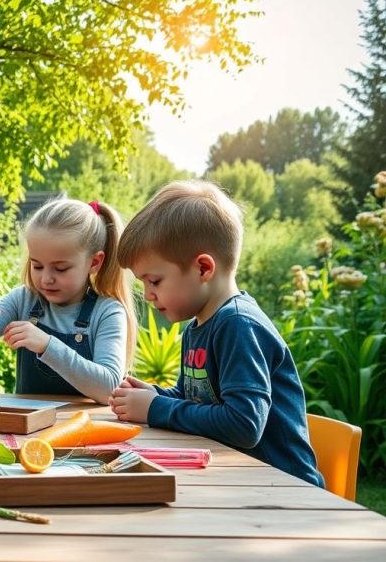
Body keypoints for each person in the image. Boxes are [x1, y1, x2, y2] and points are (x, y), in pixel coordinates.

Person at [110, 180, 323, 487]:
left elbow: (244, 424)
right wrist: (156, 394)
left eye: (154, 281)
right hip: (241, 479)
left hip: (285, 487)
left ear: (203, 269)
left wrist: (156, 409)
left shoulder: (239, 326)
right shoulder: (197, 328)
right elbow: (195, 400)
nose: (147, 295)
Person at [0, 198, 136, 403]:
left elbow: (110, 388)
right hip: (28, 431)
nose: (46, 278)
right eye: (37, 266)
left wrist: (47, 345)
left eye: (60, 268)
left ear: (95, 262)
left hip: (85, 431)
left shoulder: (108, 312)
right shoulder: (23, 300)